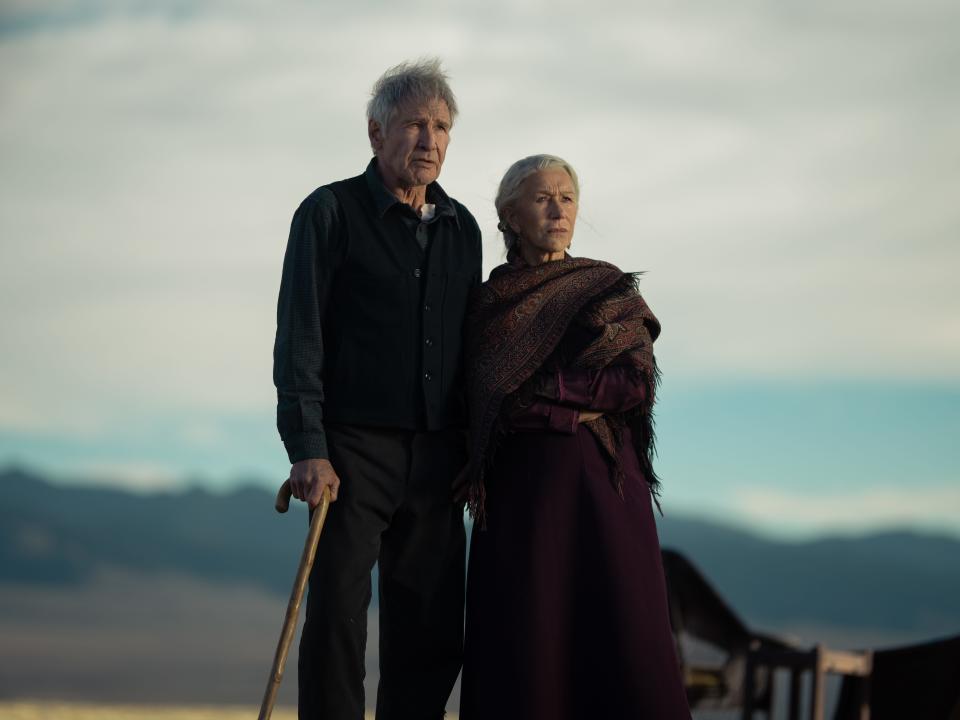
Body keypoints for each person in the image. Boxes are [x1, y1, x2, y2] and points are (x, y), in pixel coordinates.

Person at [272, 59, 482, 720]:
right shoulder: (328, 212)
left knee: (432, 627)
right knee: (337, 614)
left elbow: (473, 351)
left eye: (442, 126)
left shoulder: (463, 228)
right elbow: (300, 332)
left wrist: (476, 452)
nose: (430, 140)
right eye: (415, 124)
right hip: (349, 451)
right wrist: (307, 445)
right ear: (375, 132)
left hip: (439, 458)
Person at [459, 155, 691, 719]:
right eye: (542, 198)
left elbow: (631, 381)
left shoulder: (604, 287)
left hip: (604, 493)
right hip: (520, 500)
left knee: (623, 639)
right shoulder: (488, 304)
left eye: (567, 197)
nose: (559, 209)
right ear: (510, 215)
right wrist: (564, 406)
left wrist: (544, 395)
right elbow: (487, 398)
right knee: (529, 643)